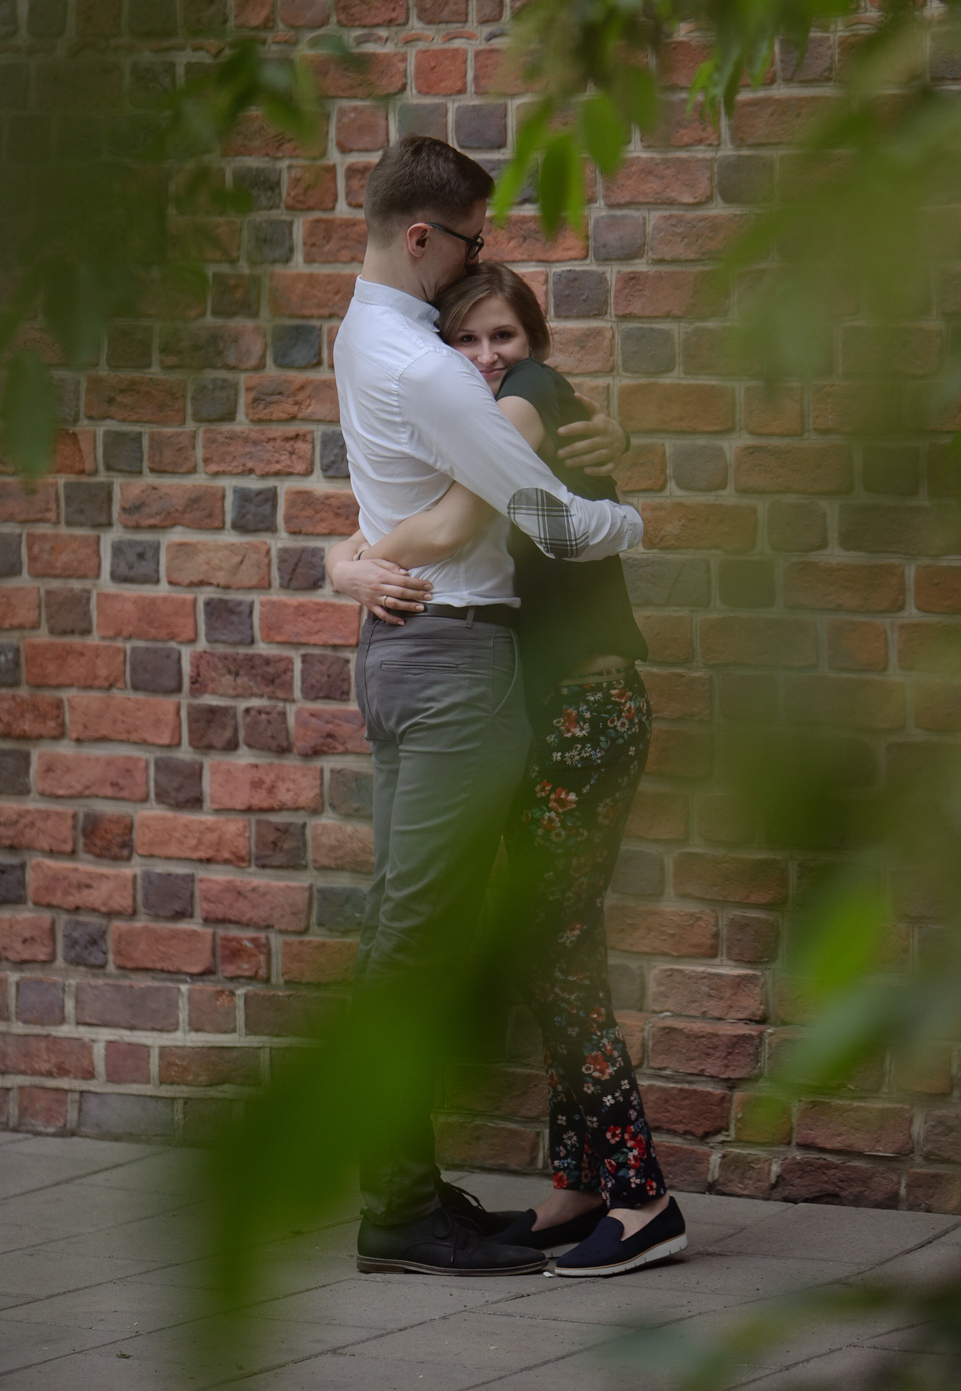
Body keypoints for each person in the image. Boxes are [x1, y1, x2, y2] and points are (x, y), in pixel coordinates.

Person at [332, 265, 687, 1280]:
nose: (487, 357)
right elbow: (438, 514)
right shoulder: (478, 427)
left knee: (555, 950)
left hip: (584, 713)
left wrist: (348, 563)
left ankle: (644, 1198)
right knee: (552, 944)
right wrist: (344, 560)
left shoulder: (527, 404)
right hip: (547, 716)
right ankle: (582, 1183)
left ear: (533, 344)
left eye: (505, 336)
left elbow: (450, 528)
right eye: (468, 340)